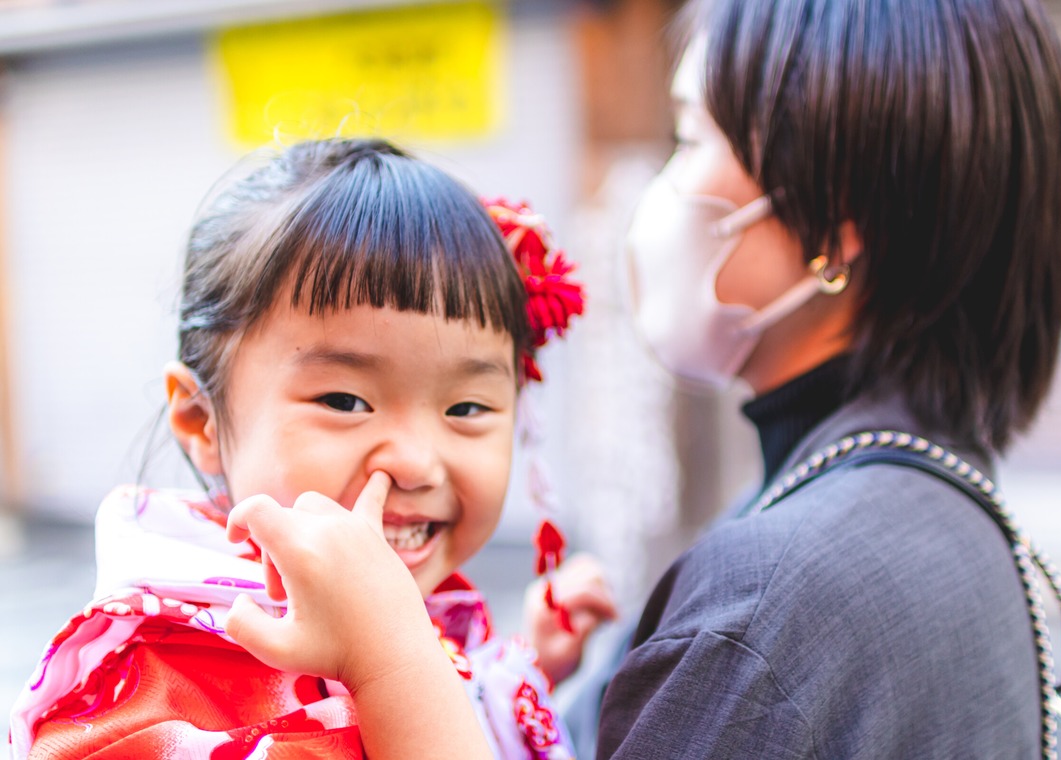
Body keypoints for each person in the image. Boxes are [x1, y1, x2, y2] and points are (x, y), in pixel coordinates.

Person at [8, 138, 615, 759]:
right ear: (201, 418)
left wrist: (522, 671)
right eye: (345, 402)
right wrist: (390, 663)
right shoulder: (160, 694)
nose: (414, 462)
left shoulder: (394, 605)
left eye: (466, 408)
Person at [590, 0, 1061, 758]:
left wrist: (389, 651)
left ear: (834, 221)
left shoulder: (769, 597)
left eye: (688, 139)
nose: (665, 187)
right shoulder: (935, 501)